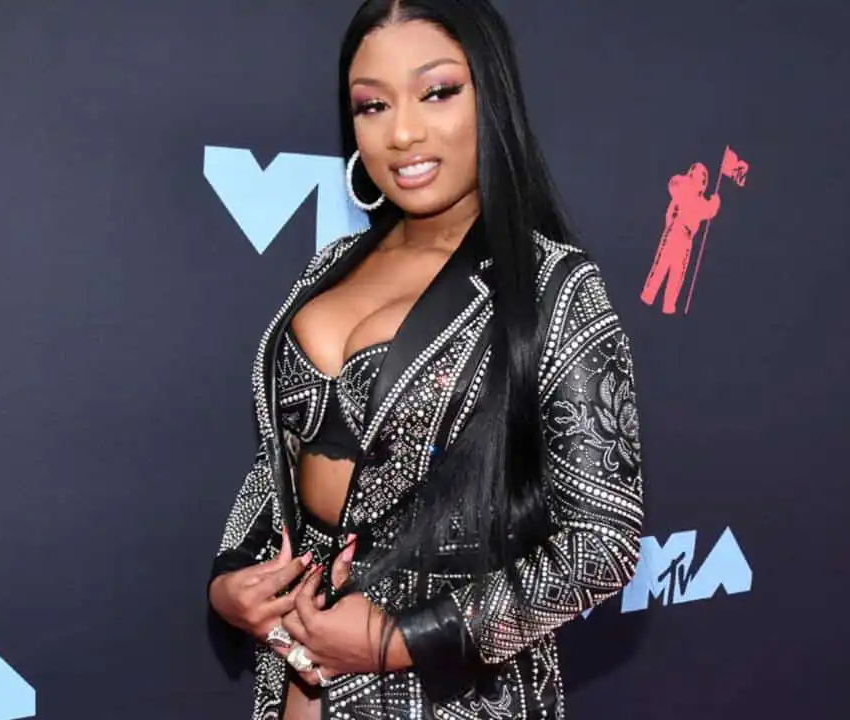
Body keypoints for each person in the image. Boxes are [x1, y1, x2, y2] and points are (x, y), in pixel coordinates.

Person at [206, 1, 645, 718]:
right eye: (372, 105)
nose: (402, 132)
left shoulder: (552, 287)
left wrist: (406, 638)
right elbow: (275, 463)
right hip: (293, 677)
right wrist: (232, 579)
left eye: (437, 92)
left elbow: (603, 544)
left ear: (491, 97)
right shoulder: (331, 264)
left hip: (450, 692)